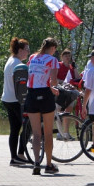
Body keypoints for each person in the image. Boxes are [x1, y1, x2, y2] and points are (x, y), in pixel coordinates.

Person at [24, 37, 61, 175]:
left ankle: (36, 163)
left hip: (32, 94)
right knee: (48, 132)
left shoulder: (33, 57)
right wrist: (54, 88)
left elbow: (32, 75)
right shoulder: (52, 60)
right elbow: (54, 80)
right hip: (45, 95)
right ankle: (49, 164)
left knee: (36, 133)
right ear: (52, 48)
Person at [2, 37, 30, 166]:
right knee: (27, 127)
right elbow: (21, 85)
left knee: (14, 129)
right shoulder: (18, 64)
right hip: (16, 101)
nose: (28, 52)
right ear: (19, 50)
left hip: (7, 98)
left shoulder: (10, 61)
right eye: (26, 49)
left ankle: (14, 157)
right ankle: (20, 154)